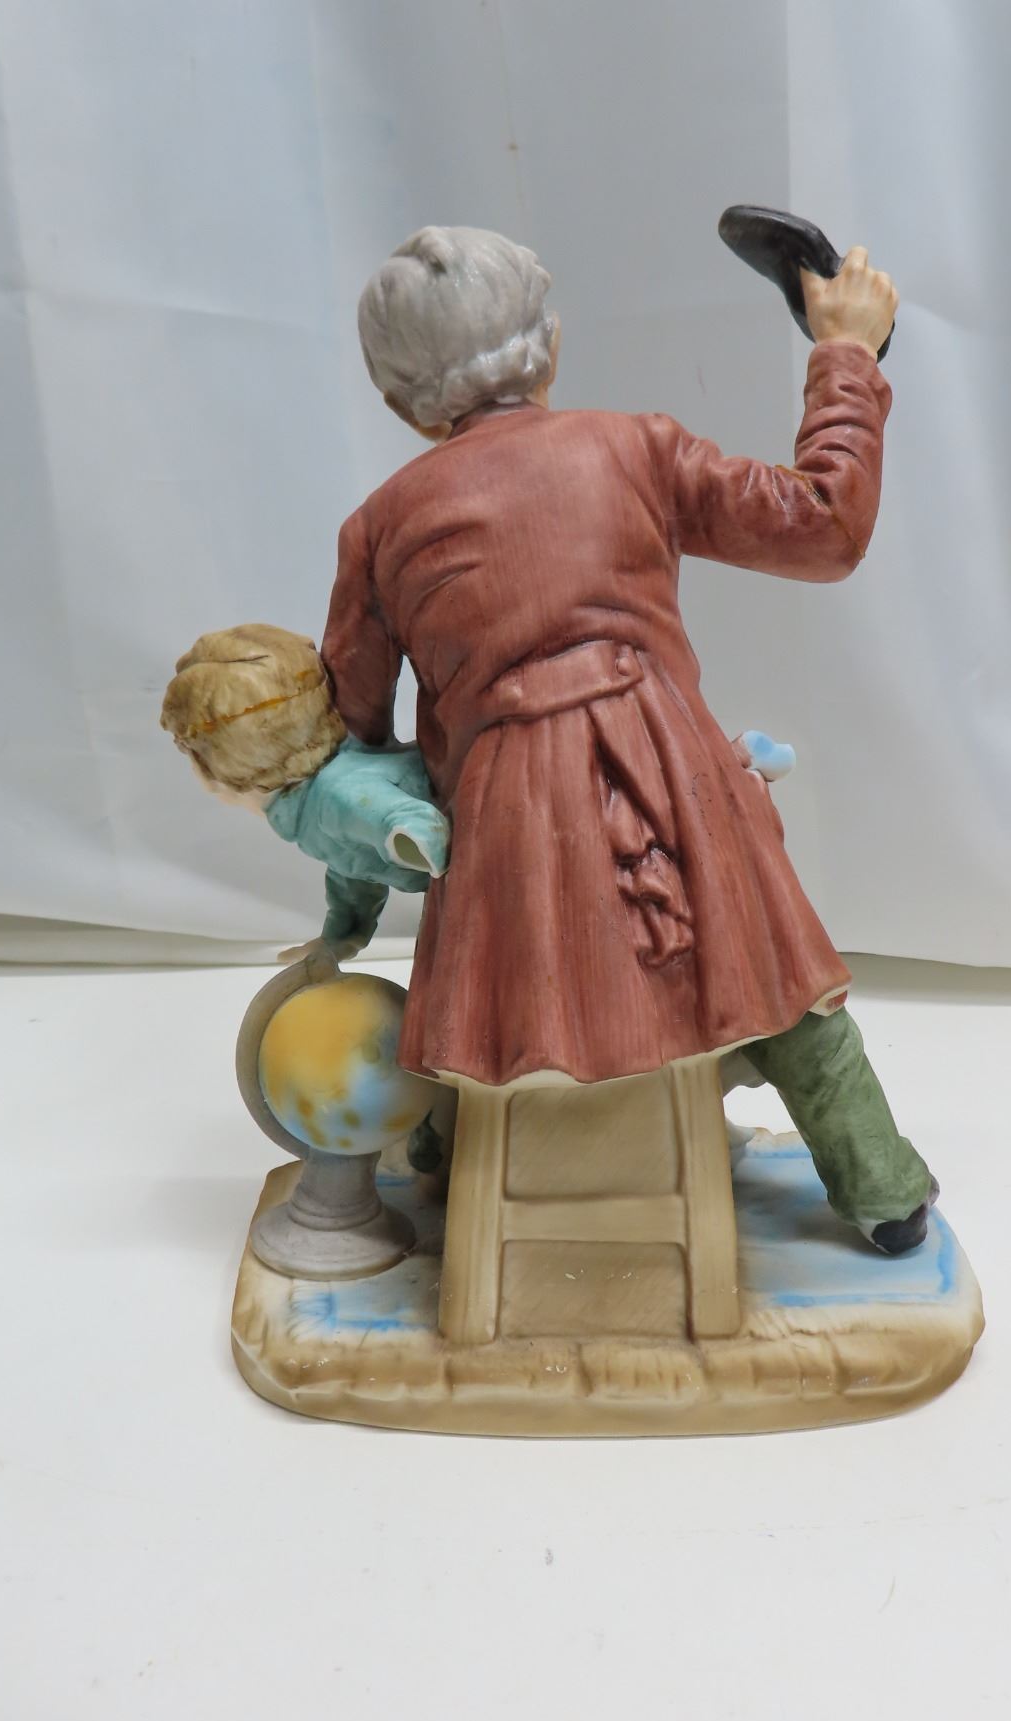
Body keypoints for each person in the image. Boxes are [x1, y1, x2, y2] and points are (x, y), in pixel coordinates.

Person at [322, 226, 934, 1253]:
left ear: (397, 401)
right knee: (773, 973)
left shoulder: (379, 529)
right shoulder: (638, 448)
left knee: (489, 989)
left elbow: (353, 746)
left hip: (507, 827)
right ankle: (882, 1188)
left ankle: (448, 1154)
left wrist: (359, 887)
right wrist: (846, 356)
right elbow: (826, 527)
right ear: (550, 346)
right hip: (673, 780)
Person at [159, 623, 448, 956]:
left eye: (187, 748)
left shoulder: (335, 795)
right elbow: (352, 869)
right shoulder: (311, 812)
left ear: (216, 759)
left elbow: (405, 820)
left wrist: (410, 840)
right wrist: (340, 939)